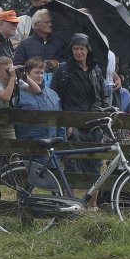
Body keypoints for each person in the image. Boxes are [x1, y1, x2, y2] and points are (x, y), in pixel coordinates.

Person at [51, 33, 107, 173]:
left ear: (88, 50)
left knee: (95, 167)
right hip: (73, 125)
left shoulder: (95, 70)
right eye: (75, 49)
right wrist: (65, 125)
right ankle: (71, 195)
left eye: (82, 48)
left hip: (94, 124)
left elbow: (103, 96)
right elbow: (54, 99)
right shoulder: (62, 70)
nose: (79, 52)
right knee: (73, 166)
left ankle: (92, 196)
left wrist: (103, 119)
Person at [13, 57, 65, 140]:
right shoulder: (18, 93)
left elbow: (60, 121)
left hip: (51, 144)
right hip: (26, 144)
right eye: (36, 73)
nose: (40, 76)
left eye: (42, 73)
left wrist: (63, 143)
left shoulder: (53, 94)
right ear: (27, 74)